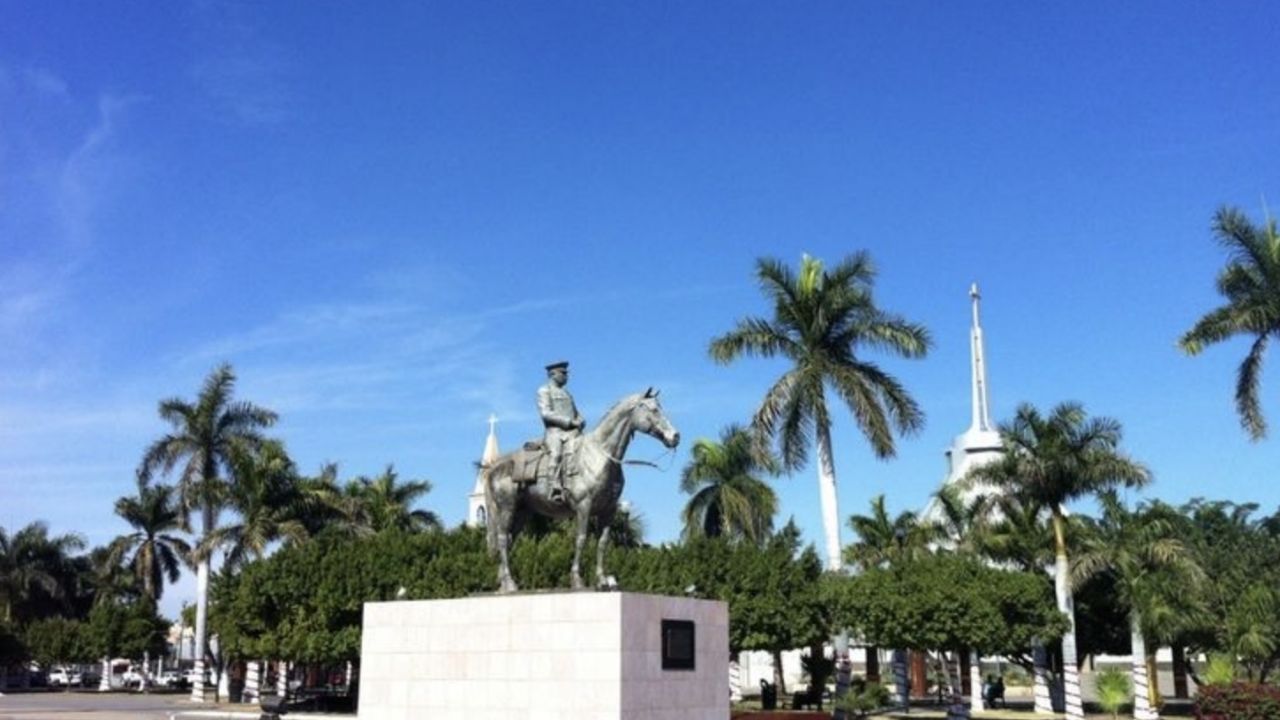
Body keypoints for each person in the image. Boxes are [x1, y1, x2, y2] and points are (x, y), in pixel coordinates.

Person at [537, 361, 584, 501]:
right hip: (555, 433)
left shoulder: (567, 394)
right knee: (556, 455)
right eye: (563, 373)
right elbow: (546, 413)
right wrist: (569, 422)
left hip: (573, 434)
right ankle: (554, 488)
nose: (566, 376)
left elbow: (576, 413)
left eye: (566, 373)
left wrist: (580, 420)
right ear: (553, 374)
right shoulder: (544, 391)